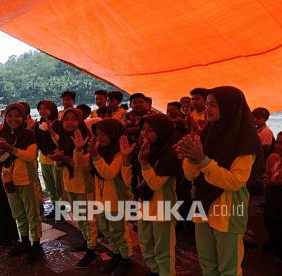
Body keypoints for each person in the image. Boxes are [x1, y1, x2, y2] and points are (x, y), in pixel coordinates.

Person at [177, 86, 261, 276]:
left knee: (228, 269)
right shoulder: (207, 134)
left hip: (229, 212)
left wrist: (202, 160)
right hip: (202, 208)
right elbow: (191, 175)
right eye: (207, 104)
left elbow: (235, 182)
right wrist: (190, 156)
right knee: (207, 264)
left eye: (213, 105)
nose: (207, 109)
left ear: (230, 108)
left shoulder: (246, 141)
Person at [75, 118, 134, 275]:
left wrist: (95, 156)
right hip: (100, 199)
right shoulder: (99, 150)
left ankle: (126, 259)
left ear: (114, 134)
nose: (100, 138)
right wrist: (79, 150)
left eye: (104, 134)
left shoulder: (119, 154)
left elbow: (108, 173)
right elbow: (81, 165)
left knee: (118, 231)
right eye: (97, 134)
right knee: (105, 229)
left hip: (115, 201)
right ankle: (116, 255)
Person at [0, 103, 43, 264]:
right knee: (18, 213)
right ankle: (25, 241)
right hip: (8, 180)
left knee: (32, 214)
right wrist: (1, 149)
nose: (13, 119)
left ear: (23, 118)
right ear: (5, 117)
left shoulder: (28, 134)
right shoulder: (0, 134)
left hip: (26, 180)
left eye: (17, 116)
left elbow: (30, 156)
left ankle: (36, 245)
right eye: (10, 116)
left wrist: (10, 148)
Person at [50, 108, 98, 268]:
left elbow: (85, 165)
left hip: (85, 185)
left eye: (73, 119)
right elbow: (60, 167)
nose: (69, 122)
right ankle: (87, 241)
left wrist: (68, 158)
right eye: (66, 119)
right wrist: (58, 160)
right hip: (70, 184)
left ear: (80, 121)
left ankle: (92, 250)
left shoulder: (89, 140)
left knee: (89, 218)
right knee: (80, 217)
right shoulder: (63, 139)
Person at [136, 114, 179, 276]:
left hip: (163, 211)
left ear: (162, 132)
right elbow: (132, 181)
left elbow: (155, 183)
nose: (144, 134)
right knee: (145, 243)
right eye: (143, 129)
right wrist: (129, 160)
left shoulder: (169, 155)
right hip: (144, 206)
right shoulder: (143, 152)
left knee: (164, 249)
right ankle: (155, 271)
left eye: (150, 130)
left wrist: (144, 163)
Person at [34, 100, 62, 219]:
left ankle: (61, 212)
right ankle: (55, 209)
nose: (42, 111)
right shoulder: (38, 124)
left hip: (56, 160)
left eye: (45, 108)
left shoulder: (58, 124)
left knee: (59, 186)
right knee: (50, 186)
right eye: (40, 109)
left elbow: (61, 141)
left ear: (52, 109)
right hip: (44, 159)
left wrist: (50, 130)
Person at [262, 140, 282, 259]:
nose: (277, 146)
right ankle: (273, 241)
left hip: (279, 194)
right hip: (272, 193)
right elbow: (268, 172)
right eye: (277, 143)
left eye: (281, 143)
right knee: (269, 219)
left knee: (278, 221)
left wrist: (273, 183)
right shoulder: (275, 159)